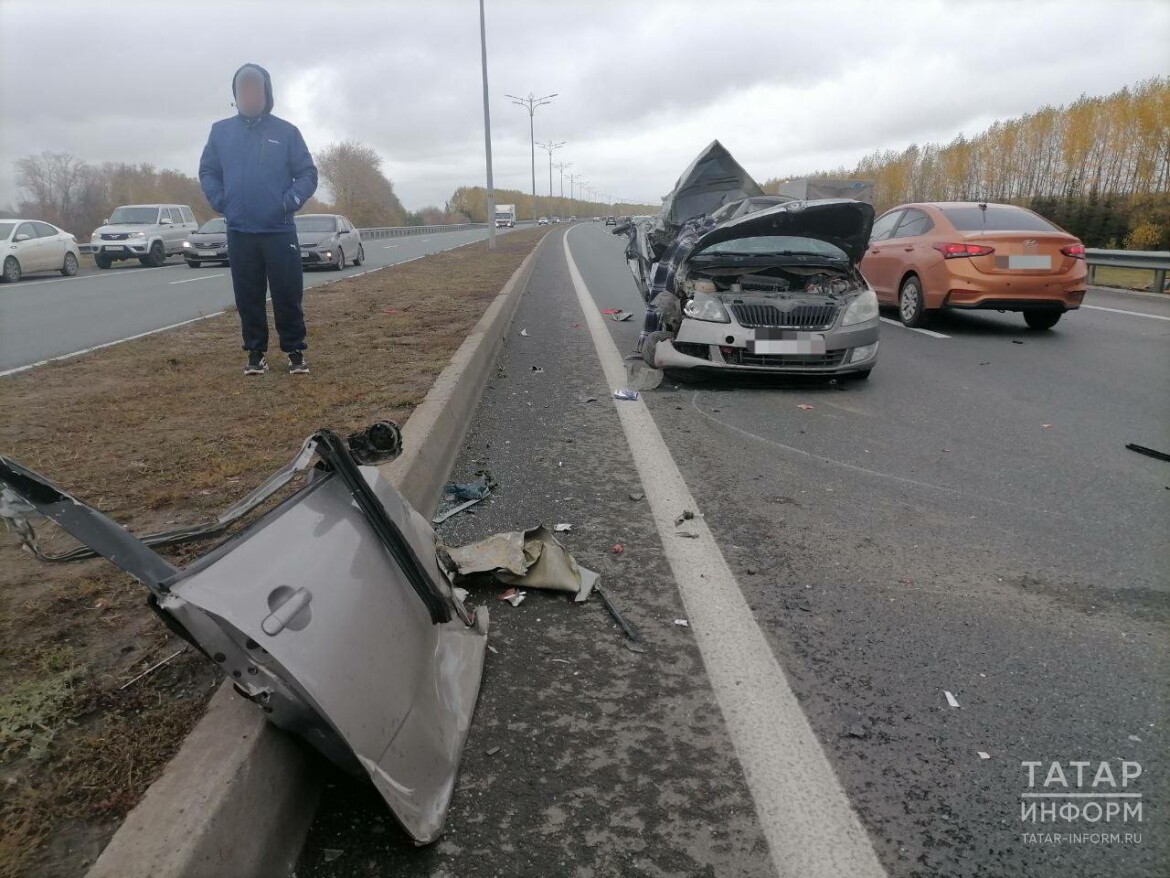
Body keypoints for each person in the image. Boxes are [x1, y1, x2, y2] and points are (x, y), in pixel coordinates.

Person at [199, 63, 318, 375]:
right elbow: (209, 171)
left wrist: (290, 200)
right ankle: (255, 353)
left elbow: (307, 172)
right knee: (248, 297)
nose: (249, 95)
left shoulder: (286, 132)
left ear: (267, 94)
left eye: (256, 89)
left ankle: (295, 350)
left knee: (287, 294)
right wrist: (220, 200)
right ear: (235, 95)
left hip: (279, 229)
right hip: (240, 230)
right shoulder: (220, 132)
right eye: (243, 90)